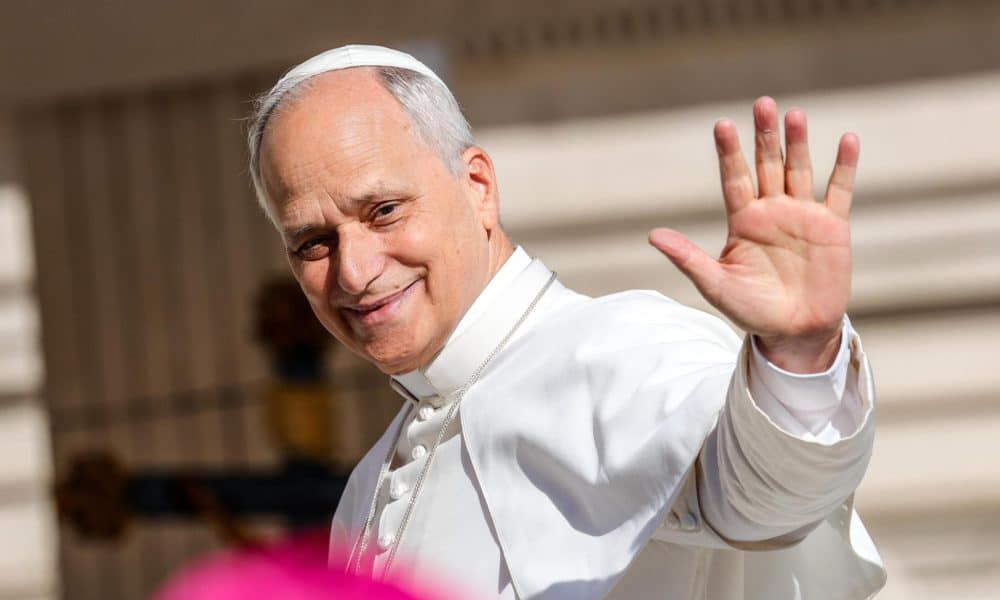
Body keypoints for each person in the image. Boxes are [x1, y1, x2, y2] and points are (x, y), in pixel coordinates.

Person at [247, 45, 886, 599]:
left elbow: (768, 496)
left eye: (383, 210)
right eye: (312, 243)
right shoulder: (365, 494)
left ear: (477, 187)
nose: (354, 272)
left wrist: (798, 350)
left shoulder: (618, 349)